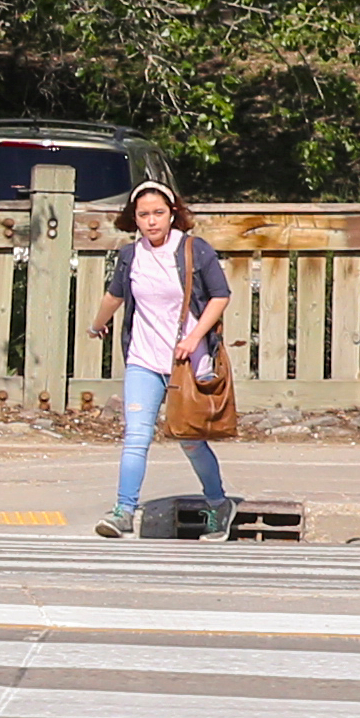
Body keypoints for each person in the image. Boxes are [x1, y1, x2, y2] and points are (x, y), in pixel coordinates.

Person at [91, 176, 234, 538]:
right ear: (134, 218)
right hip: (143, 359)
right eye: (143, 215)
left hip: (187, 363)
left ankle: (218, 504)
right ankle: (123, 511)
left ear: (173, 214)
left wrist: (193, 338)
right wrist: (98, 324)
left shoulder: (194, 250)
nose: (151, 221)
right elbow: (115, 295)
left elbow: (220, 297)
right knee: (135, 437)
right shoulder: (130, 255)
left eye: (158, 213)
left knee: (189, 439)